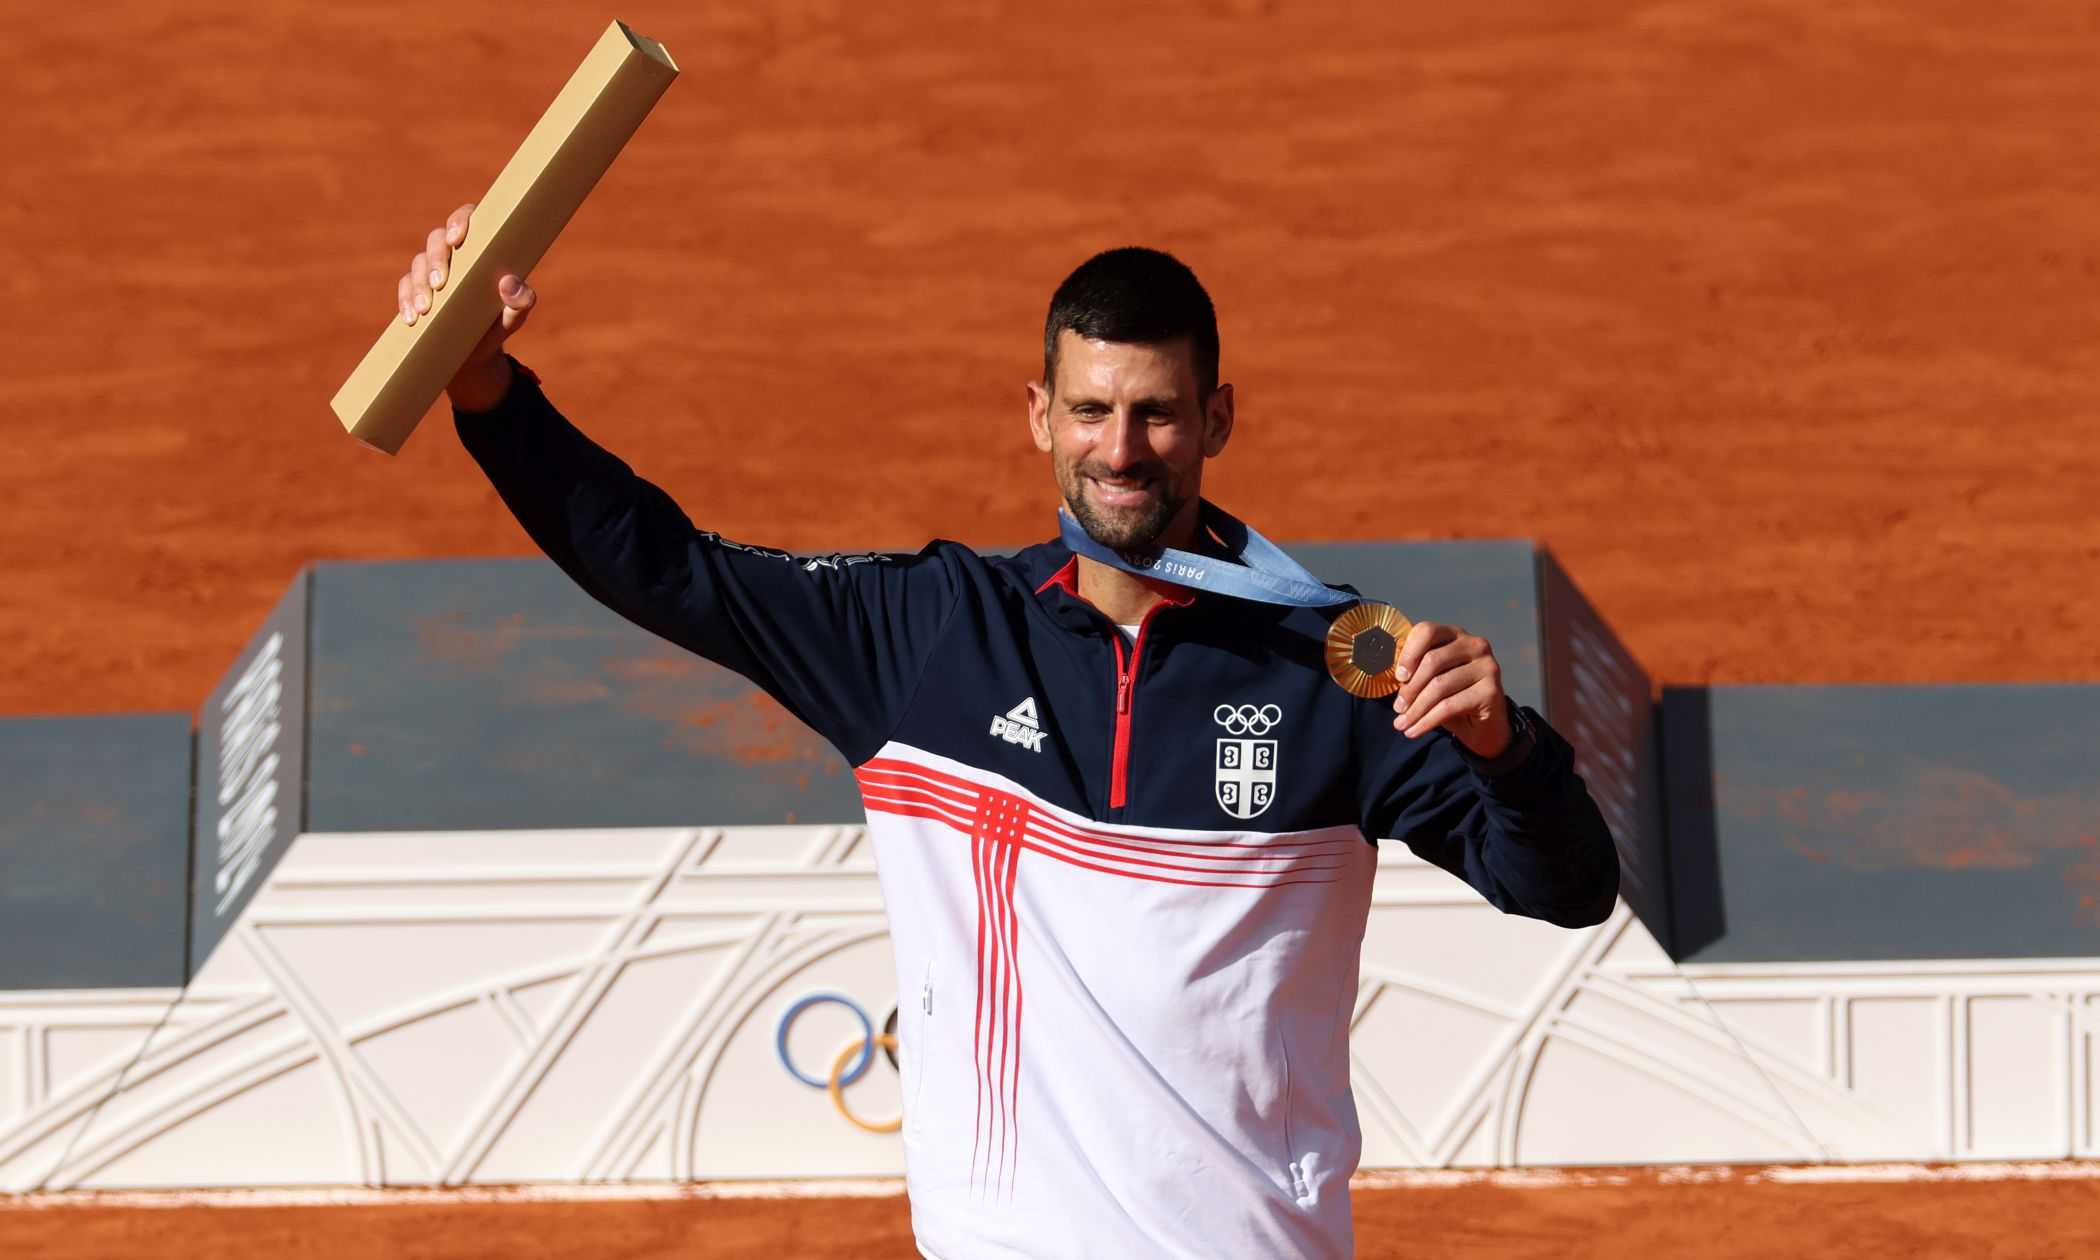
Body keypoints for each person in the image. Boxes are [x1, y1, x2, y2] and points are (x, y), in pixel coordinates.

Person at [393, 204, 1619, 1259]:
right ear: (1039, 414)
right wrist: (487, 391)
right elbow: (667, 568)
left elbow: (1564, 888)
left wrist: (1505, 751)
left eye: (1157, 414)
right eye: (1091, 411)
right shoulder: (932, 634)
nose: (1122, 452)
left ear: (1219, 418)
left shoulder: (1335, 665)